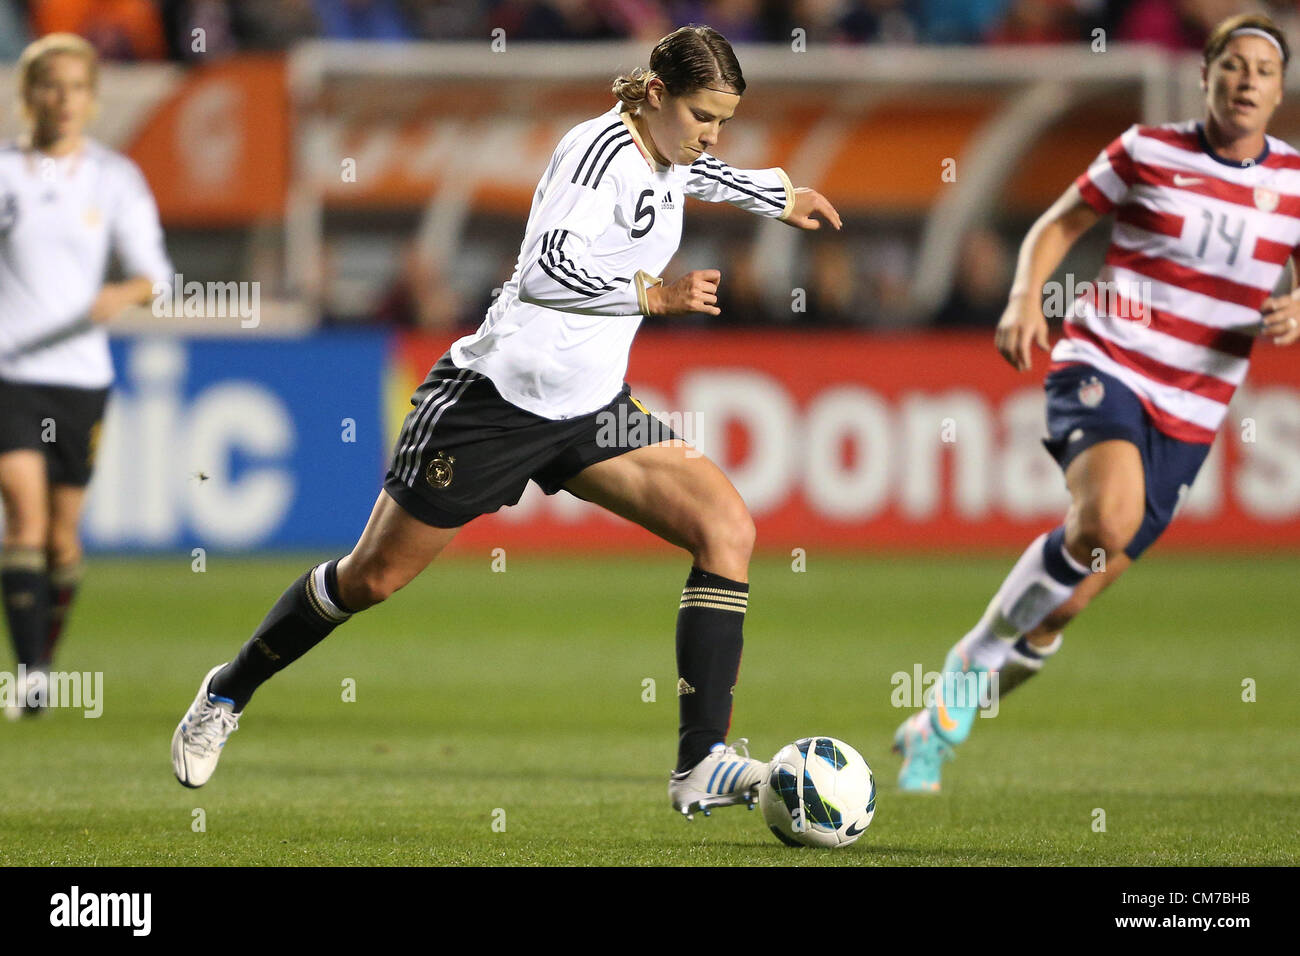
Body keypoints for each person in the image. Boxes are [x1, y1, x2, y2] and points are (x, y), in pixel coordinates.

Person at [172, 25, 842, 819]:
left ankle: (700, 763)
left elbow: (703, 172)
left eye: (724, 119)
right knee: (371, 578)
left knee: (727, 528)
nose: (713, 135)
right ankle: (228, 689)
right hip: (493, 404)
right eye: (704, 115)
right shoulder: (595, 156)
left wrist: (778, 195)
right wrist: (648, 295)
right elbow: (543, 269)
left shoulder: (671, 152)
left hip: (591, 409)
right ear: (656, 94)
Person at [893, 12, 1300, 791]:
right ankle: (971, 656)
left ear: (1279, 92)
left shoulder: (1292, 183)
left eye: (1264, 71)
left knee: (1062, 609)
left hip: (1194, 408)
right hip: (1105, 359)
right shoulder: (1147, 150)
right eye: (1234, 66)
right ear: (1206, 74)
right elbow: (1061, 221)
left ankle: (940, 723)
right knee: (1104, 521)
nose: (1248, 80)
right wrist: (1024, 297)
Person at [1, 33, 173, 717]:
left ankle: (43, 659)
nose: (64, 100)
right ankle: (33, 673)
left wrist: (120, 294)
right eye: (51, 85)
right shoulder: (7, 173)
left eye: (76, 87)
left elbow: (155, 277)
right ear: (29, 95)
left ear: (93, 100)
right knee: (26, 517)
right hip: (9, 370)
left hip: (81, 377)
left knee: (64, 538)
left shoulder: (114, 178)